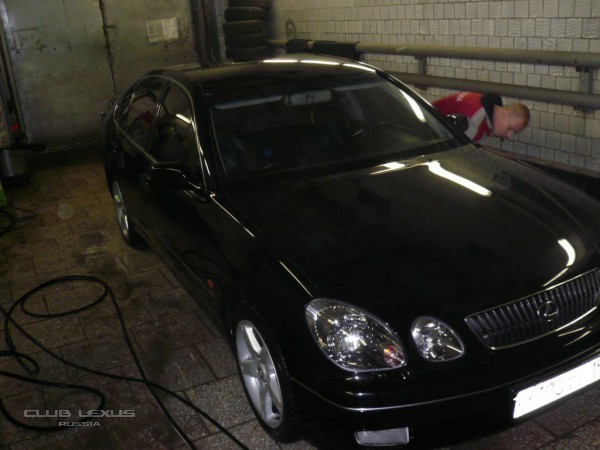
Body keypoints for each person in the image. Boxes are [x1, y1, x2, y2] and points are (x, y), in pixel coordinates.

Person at [432, 92, 529, 142]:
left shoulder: (490, 113)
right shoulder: (476, 116)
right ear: (503, 114)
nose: (509, 135)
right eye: (510, 128)